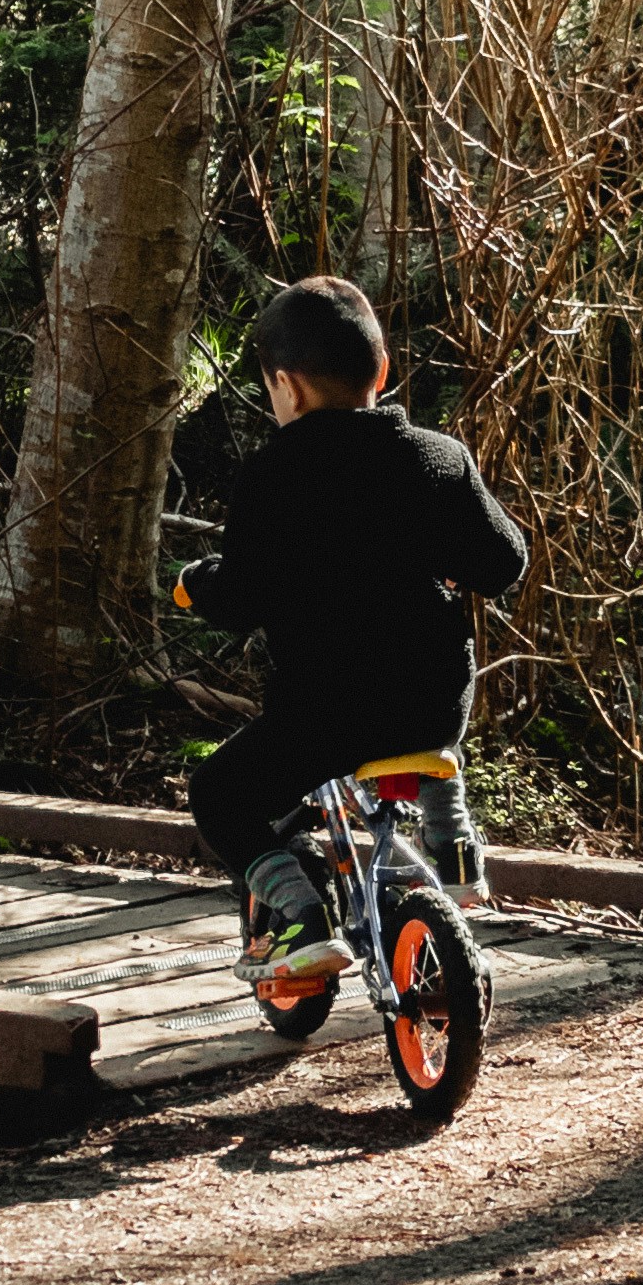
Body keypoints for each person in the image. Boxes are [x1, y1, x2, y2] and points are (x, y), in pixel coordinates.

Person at [170, 276, 529, 979]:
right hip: (432, 703)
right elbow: (503, 563)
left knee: (219, 793)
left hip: (326, 714)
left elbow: (242, 598)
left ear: (288, 387)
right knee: (423, 724)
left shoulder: (273, 476)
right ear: (383, 369)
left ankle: (301, 917)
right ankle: (451, 841)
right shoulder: (439, 457)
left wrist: (197, 584)